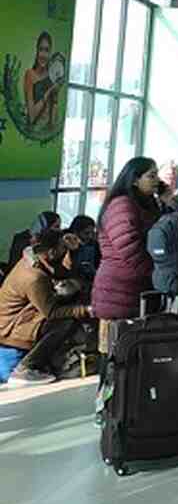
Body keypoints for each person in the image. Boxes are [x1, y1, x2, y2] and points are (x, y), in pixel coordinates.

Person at [0, 228, 94, 385]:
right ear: (51, 251)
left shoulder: (37, 258)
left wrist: (74, 251)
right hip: (9, 329)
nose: (64, 251)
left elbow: (62, 271)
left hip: (18, 319)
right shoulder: (33, 277)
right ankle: (25, 368)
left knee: (71, 298)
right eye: (62, 249)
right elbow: (52, 312)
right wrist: (87, 310)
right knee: (65, 322)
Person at [92, 158, 162, 352]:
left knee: (135, 360)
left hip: (136, 289)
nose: (157, 180)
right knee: (118, 356)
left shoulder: (147, 203)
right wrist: (155, 272)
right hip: (118, 290)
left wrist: (168, 202)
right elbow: (129, 249)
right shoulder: (121, 205)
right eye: (151, 175)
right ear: (134, 180)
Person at [23, 31, 60, 130]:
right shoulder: (30, 74)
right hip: (31, 132)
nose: (43, 55)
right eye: (41, 49)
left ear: (50, 53)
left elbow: (53, 124)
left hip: (44, 135)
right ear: (37, 51)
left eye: (47, 50)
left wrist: (55, 97)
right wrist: (48, 92)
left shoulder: (52, 78)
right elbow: (31, 117)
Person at [7, 211, 60, 277]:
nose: (59, 230)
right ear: (44, 228)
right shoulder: (22, 242)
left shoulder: (23, 238)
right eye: (56, 226)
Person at [67, 216, 99, 283]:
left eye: (92, 233)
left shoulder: (95, 245)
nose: (90, 236)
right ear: (75, 232)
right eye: (86, 233)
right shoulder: (65, 246)